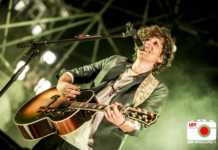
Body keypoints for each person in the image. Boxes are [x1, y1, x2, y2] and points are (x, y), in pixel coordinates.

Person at [33, 25, 176, 150]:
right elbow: (75, 74)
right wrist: (62, 83)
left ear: (161, 58)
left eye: (156, 43)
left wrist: (122, 122)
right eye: (147, 39)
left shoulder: (157, 88)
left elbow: (139, 127)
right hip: (60, 132)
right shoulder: (115, 61)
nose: (148, 43)